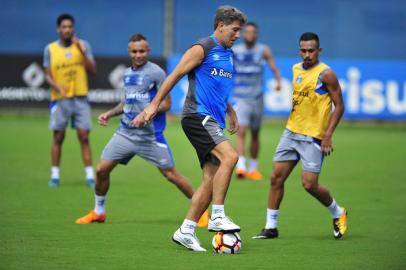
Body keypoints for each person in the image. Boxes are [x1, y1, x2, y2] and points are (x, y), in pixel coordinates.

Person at [133, 6, 247, 252]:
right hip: (197, 116)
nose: (238, 35)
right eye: (235, 30)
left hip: (214, 119)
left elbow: (215, 87)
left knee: (210, 178)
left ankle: (186, 230)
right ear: (220, 26)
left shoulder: (228, 54)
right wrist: (153, 106)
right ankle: (217, 215)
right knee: (231, 156)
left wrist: (231, 110)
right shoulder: (202, 47)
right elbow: (174, 75)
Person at [75, 33, 209, 227]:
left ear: (148, 51)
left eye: (142, 51)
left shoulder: (156, 72)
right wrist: (110, 113)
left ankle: (202, 212)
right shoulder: (127, 74)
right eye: (134, 51)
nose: (138, 55)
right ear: (129, 52)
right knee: (101, 170)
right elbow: (127, 101)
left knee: (172, 175)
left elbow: (167, 104)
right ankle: (98, 212)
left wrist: (146, 113)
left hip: (150, 136)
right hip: (125, 133)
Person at [252, 32, 348, 240]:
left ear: (319, 51)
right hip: (291, 133)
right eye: (303, 50)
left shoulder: (326, 74)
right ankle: (271, 227)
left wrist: (328, 135)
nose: (307, 55)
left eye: (311, 51)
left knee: (309, 185)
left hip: (313, 138)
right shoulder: (296, 69)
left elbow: (339, 106)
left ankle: (337, 211)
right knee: (276, 178)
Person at [43, 14, 97, 188]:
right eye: (64, 27)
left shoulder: (83, 45)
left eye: (70, 26)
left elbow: (92, 69)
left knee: (84, 136)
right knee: (58, 136)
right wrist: (57, 87)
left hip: (81, 98)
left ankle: (89, 176)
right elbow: (47, 74)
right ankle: (55, 175)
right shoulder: (50, 49)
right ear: (58, 29)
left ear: (73, 28)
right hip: (60, 99)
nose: (67, 29)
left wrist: (80, 51)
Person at [232, 22, 282, 181]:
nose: (250, 35)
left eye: (253, 32)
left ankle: (253, 168)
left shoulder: (263, 50)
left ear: (257, 34)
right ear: (242, 33)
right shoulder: (235, 50)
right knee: (241, 131)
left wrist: (278, 81)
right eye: (247, 32)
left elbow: (273, 67)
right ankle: (241, 166)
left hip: (257, 97)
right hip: (240, 97)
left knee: (255, 134)